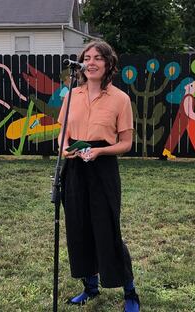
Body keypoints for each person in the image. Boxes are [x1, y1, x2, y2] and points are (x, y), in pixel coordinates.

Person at [57, 41, 140, 312]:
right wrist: (65, 148)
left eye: (97, 58)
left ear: (108, 64)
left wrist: (99, 150)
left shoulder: (120, 99)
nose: (91, 62)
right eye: (87, 58)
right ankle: (89, 287)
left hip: (103, 169)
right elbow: (62, 133)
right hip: (75, 169)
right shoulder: (72, 95)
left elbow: (126, 143)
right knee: (78, 229)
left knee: (108, 230)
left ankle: (130, 291)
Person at [162, 77, 195, 160]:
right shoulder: (188, 98)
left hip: (188, 120)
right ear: (186, 87)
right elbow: (190, 113)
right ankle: (166, 152)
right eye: (192, 85)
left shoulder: (189, 97)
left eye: (194, 85)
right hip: (183, 120)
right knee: (175, 135)